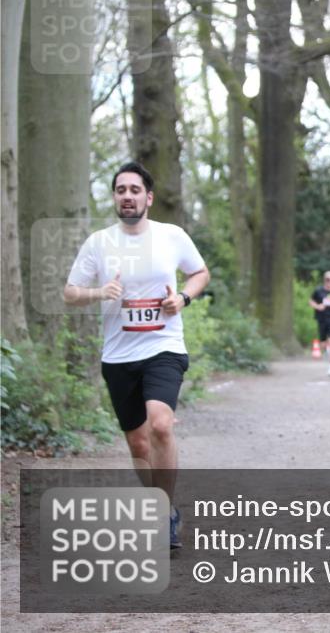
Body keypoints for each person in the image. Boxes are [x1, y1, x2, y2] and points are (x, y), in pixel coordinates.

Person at [63, 161, 210, 550]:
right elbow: (70, 292)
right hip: (118, 354)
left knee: (161, 425)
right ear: (114, 197)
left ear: (148, 197)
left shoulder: (171, 236)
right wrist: (99, 294)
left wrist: (183, 297)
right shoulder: (99, 242)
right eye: (120, 190)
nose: (126, 196)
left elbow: (199, 273)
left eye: (133, 189)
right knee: (138, 443)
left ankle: (165, 514)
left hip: (164, 346)